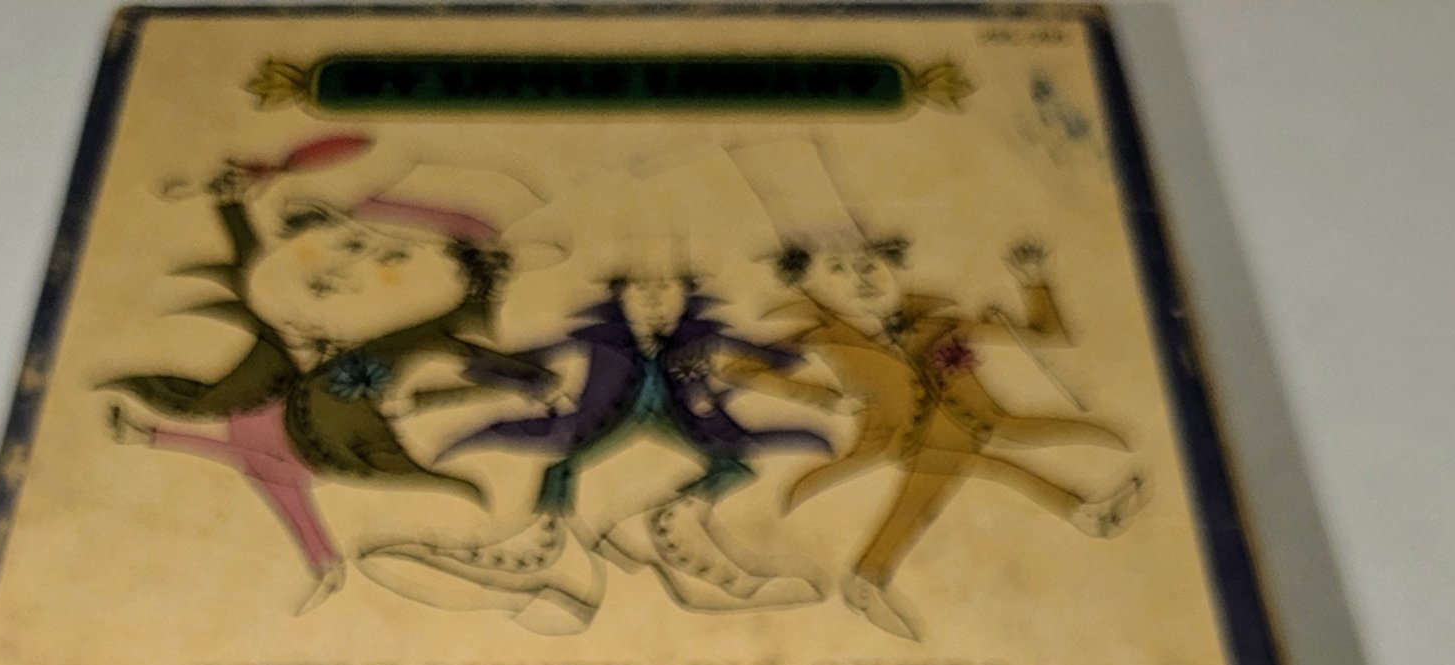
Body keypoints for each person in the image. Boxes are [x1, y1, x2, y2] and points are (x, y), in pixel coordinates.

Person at [104, 154, 555, 612]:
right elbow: (253, 267)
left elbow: (458, 373)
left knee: (262, 469)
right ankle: (325, 565)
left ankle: (327, 564)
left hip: (312, 448)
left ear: (465, 285)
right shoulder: (293, 321)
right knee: (261, 468)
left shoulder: (402, 350)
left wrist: (524, 382)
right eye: (350, 242)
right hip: (270, 428)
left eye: (396, 258)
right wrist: (231, 206)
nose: (342, 271)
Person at [731, 232, 1149, 640]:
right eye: (837, 269)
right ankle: (1083, 514)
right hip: (906, 439)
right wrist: (826, 399)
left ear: (895, 268)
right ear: (808, 286)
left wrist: (1033, 281)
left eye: (871, 265)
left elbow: (1048, 334)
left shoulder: (940, 324)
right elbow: (740, 368)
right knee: (983, 468)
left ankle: (867, 577)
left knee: (925, 496)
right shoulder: (822, 338)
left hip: (982, 424)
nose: (861, 280)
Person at [388, 267, 832, 616]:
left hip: (686, 424)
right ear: (620, 296)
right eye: (641, 289)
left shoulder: (701, 339)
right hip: (599, 423)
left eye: (667, 288)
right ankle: (548, 549)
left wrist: (796, 351)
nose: (655, 298)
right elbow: (511, 363)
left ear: (686, 294)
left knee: (733, 466)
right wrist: (528, 383)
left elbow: (774, 358)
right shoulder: (598, 340)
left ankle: (660, 524)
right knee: (562, 466)